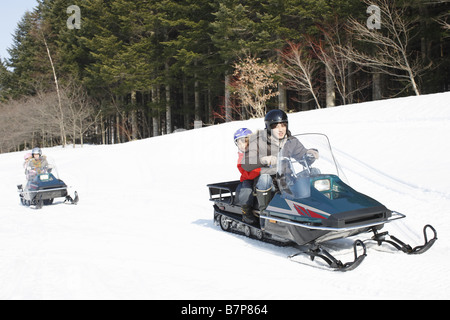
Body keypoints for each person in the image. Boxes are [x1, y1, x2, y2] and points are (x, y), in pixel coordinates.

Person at [240, 110, 319, 212]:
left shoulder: (291, 141)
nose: (280, 129)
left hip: (287, 179)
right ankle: (265, 214)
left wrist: (310, 154)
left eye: (283, 125)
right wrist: (263, 160)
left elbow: (302, 156)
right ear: (269, 127)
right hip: (269, 183)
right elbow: (246, 164)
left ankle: (317, 209)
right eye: (275, 126)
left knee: (315, 172)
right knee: (265, 177)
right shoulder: (259, 141)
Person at [234, 128, 261, 224]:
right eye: (239, 143)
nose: (242, 145)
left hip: (260, 176)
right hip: (248, 179)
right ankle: (246, 211)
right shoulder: (241, 157)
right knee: (247, 189)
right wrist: (260, 169)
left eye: (244, 141)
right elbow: (247, 173)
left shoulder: (257, 151)